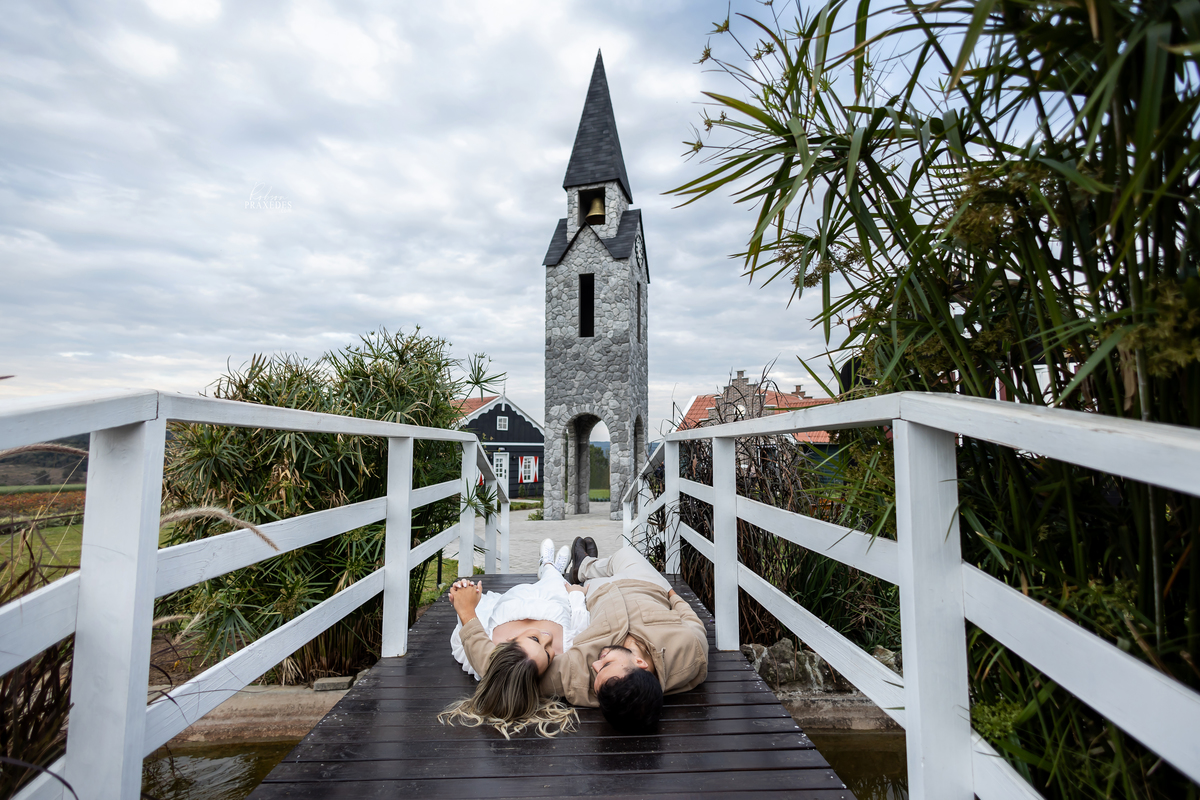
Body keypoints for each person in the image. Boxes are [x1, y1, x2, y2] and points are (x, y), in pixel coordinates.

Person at [459, 539, 709, 735]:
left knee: (596, 577)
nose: (595, 664)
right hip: (646, 586)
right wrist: (674, 595)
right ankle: (586, 564)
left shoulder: (578, 678)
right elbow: (693, 624)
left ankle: (585, 569)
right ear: (641, 664)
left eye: (597, 673)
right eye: (607, 666)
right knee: (626, 555)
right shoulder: (691, 653)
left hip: (597, 593)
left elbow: (500, 669)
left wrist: (468, 615)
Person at [439, 539, 589, 739]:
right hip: (553, 598)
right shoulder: (566, 648)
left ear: (508, 641)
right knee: (555, 581)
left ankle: (548, 565)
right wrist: (576, 596)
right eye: (548, 652)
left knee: (546, 579)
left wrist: (465, 601)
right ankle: (551, 567)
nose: (548, 638)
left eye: (535, 639)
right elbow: (580, 624)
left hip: (514, 598)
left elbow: (462, 638)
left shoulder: (489, 652)